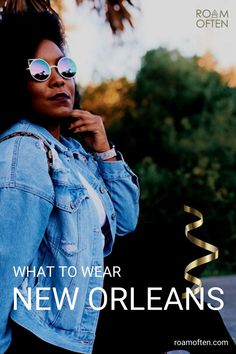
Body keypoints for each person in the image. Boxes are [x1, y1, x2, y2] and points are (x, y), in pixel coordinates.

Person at [0, 10, 139, 354]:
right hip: (43, 337)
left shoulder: (73, 153)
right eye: (39, 71)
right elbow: (6, 262)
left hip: (79, 327)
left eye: (65, 68)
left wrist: (104, 150)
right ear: (17, 84)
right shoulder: (24, 150)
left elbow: (127, 221)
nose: (58, 80)